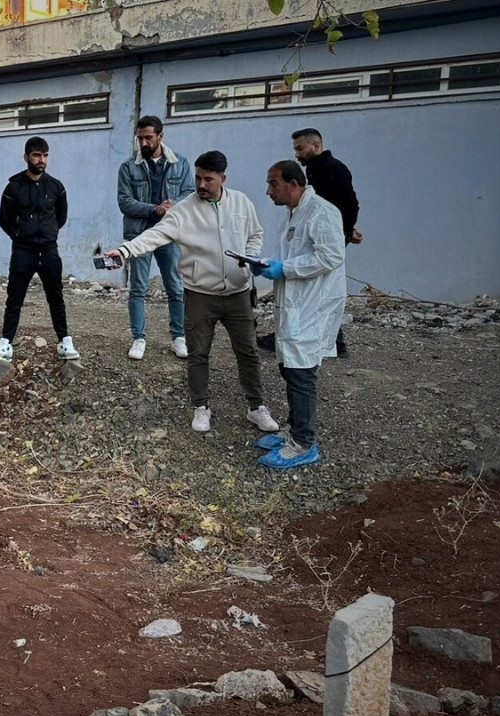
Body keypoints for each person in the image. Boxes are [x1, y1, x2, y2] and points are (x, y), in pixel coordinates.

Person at [106, 151, 278, 434]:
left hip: (238, 293)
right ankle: (201, 406)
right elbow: (154, 235)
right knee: (198, 354)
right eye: (198, 178)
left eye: (208, 179)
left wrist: (250, 257)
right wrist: (125, 250)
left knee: (248, 352)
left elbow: (255, 233)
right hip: (200, 294)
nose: (201, 185)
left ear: (223, 178)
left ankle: (256, 407)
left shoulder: (241, 203)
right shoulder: (184, 210)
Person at [254, 160, 346, 470]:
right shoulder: (293, 213)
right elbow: (292, 256)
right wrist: (267, 264)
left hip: (313, 305)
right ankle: (293, 429)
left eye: (274, 184)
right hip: (294, 303)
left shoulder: (322, 212)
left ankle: (304, 443)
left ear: (293, 184)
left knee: (301, 372)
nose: (269, 191)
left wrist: (286, 269)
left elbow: (331, 256)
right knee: (289, 366)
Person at [258, 128, 360, 357]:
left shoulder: (333, 170)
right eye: (295, 149)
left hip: (327, 235)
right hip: (319, 235)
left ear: (316, 146)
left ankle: (331, 343)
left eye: (300, 148)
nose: (297, 154)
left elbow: (349, 203)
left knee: (317, 298)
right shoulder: (307, 182)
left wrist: (344, 232)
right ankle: (295, 338)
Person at [0, 136, 79, 362]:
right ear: (26, 157)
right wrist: (21, 235)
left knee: (56, 297)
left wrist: (48, 233)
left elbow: (61, 217)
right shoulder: (13, 187)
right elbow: (5, 220)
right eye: (37, 155)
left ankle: (65, 342)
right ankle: (5, 344)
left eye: (45, 155)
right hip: (23, 251)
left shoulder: (56, 187)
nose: (42, 160)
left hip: (49, 250)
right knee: (14, 299)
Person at [116, 115, 194, 360]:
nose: (143, 143)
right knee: (137, 288)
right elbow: (124, 201)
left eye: (148, 137)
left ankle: (179, 337)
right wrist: (154, 209)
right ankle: (139, 339)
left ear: (161, 136)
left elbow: (189, 193)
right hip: (139, 234)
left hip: (170, 234)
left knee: (175, 287)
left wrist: (173, 206)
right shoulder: (128, 167)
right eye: (140, 138)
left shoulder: (180, 163)